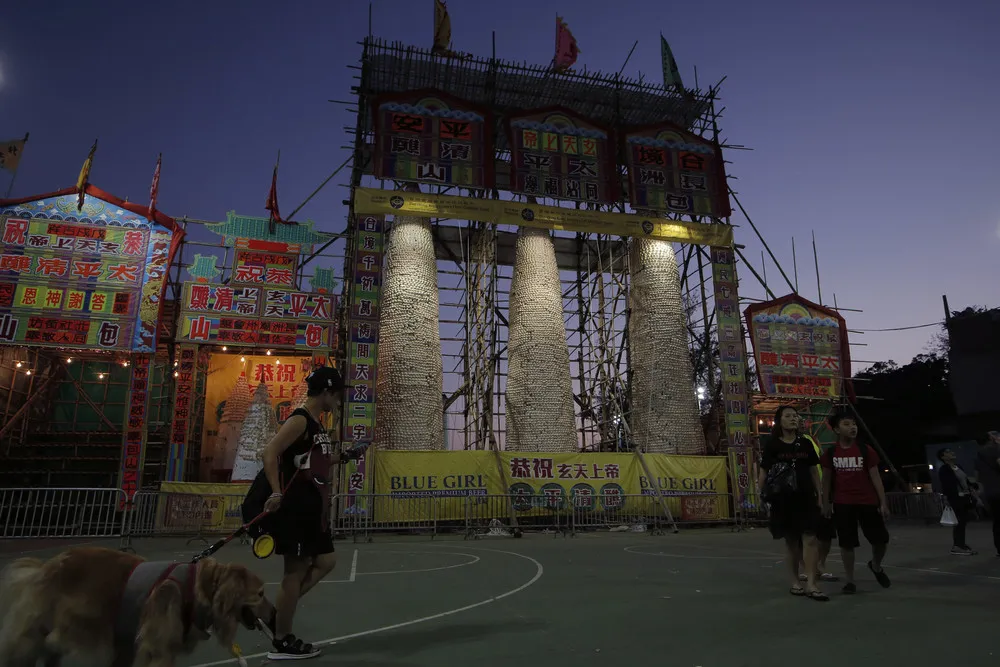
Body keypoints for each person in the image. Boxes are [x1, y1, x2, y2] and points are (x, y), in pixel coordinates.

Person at [258, 366, 349, 660]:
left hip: (314, 508)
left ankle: (277, 614)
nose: (338, 401)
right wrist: (274, 491)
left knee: (326, 561)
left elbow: (314, 463)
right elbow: (270, 452)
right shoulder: (300, 420)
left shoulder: (317, 425)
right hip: (296, 507)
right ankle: (282, 639)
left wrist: (344, 456)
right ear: (326, 392)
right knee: (294, 572)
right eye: (336, 395)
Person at [758, 405, 828, 601]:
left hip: (806, 497)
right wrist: (760, 493)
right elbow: (764, 471)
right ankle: (795, 581)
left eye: (795, 416)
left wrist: (820, 495)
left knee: (811, 538)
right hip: (783, 499)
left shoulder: (806, 443)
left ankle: (812, 584)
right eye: (788, 416)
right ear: (779, 421)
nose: (793, 419)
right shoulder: (772, 445)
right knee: (791, 543)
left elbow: (814, 471)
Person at [821, 410, 891, 594]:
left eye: (854, 424)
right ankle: (850, 581)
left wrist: (883, 502)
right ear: (836, 429)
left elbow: (876, 477)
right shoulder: (831, 453)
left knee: (881, 541)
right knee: (847, 543)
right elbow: (826, 480)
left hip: (868, 502)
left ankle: (875, 565)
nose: (852, 427)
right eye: (846, 424)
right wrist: (826, 503)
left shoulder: (865, 450)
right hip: (843, 503)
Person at [799, 434, 838, 584]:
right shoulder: (786, 443)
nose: (798, 421)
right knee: (802, 534)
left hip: (821, 491)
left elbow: (820, 463)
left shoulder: (812, 440)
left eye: (799, 418)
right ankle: (806, 568)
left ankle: (821, 564)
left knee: (826, 532)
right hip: (803, 492)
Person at [937, 448, 976, 555]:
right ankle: (957, 545)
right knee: (959, 521)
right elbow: (947, 485)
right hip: (955, 498)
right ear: (943, 457)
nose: (952, 453)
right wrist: (948, 498)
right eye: (948, 452)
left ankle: (961, 544)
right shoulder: (944, 469)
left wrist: (971, 488)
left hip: (965, 497)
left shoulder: (958, 467)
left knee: (963, 521)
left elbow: (965, 480)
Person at [975, 431, 1000, 557]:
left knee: (997, 521)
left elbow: (978, 476)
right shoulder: (995, 449)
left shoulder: (979, 455)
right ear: (991, 438)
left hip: (989, 492)